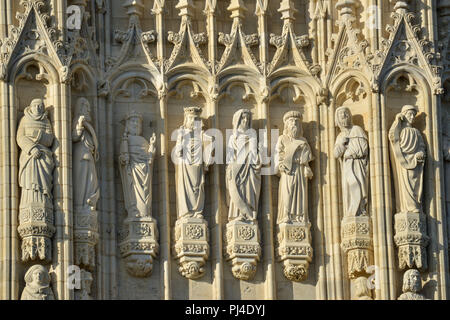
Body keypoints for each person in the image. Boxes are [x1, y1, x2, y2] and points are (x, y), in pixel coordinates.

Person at [276, 111, 313, 224]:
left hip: (299, 171)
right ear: (286, 124)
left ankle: (299, 217)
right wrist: (282, 163)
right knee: (287, 194)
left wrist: (302, 159)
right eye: (291, 121)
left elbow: (308, 156)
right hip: (288, 171)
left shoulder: (303, 141)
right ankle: (286, 215)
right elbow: (278, 154)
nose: (294, 124)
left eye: (297, 122)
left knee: (300, 195)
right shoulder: (282, 138)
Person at [173, 107, 211, 219]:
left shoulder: (201, 135)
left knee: (198, 186)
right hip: (185, 166)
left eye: (196, 119)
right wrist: (181, 138)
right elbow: (178, 152)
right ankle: (186, 211)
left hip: (198, 165)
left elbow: (207, 149)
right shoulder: (183, 135)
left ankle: (197, 211)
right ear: (187, 120)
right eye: (191, 119)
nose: (193, 122)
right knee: (185, 187)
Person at [389, 105, 426, 213]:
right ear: (404, 115)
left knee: (415, 185)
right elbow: (392, 137)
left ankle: (414, 206)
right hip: (403, 161)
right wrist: (397, 121)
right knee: (405, 186)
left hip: (415, 162)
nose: (412, 117)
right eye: (409, 114)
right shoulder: (400, 130)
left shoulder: (416, 132)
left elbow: (421, 146)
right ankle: (407, 207)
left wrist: (420, 153)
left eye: (413, 115)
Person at [226, 109, 261, 222]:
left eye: (247, 118)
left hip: (249, 167)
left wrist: (256, 158)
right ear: (238, 120)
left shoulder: (252, 134)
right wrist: (230, 168)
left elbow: (254, 152)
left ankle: (249, 213)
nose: (245, 120)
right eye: (243, 118)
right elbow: (230, 155)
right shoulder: (233, 137)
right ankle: (238, 213)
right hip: (237, 169)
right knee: (238, 189)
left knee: (248, 189)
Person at [119, 111, 156, 218]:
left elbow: (149, 158)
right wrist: (124, 159)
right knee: (133, 192)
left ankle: (144, 213)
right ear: (127, 125)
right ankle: (134, 211)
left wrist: (152, 145)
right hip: (132, 171)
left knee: (145, 195)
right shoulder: (125, 140)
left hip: (145, 172)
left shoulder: (144, 141)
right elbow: (122, 158)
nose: (136, 124)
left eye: (138, 122)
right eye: (133, 122)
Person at [334, 106, 369, 217]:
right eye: (340, 114)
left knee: (359, 186)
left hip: (358, 164)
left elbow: (364, 148)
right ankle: (351, 213)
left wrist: (352, 152)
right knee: (349, 189)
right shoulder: (340, 136)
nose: (343, 116)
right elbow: (336, 154)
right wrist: (342, 144)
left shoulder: (357, 130)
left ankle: (361, 210)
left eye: (345, 113)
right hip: (348, 166)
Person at [72, 97, 99, 213]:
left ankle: (88, 205)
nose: (88, 110)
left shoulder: (89, 125)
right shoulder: (78, 121)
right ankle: (80, 206)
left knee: (92, 182)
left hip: (89, 156)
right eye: (85, 107)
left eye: (89, 107)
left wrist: (95, 151)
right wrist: (79, 126)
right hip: (81, 156)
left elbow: (93, 141)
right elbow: (74, 137)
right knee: (82, 181)